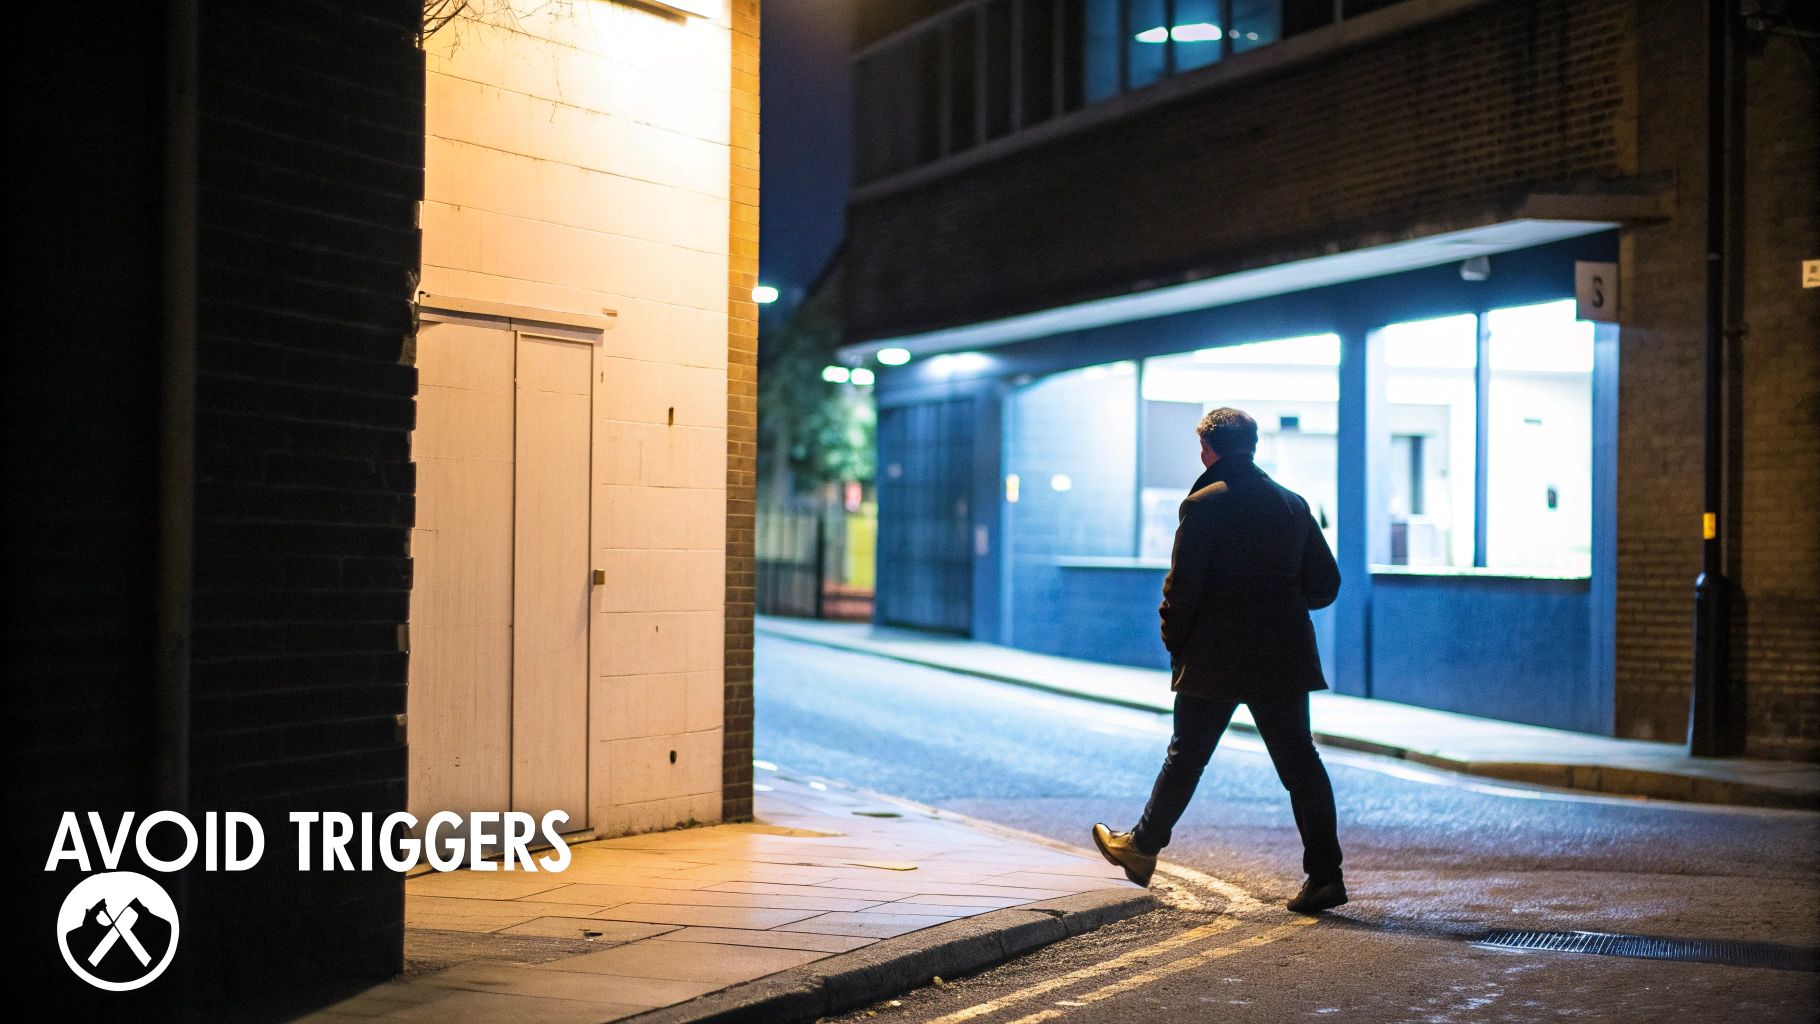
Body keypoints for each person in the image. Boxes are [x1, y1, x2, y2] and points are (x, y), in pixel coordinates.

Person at [1092, 407, 1348, 914]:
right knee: (1301, 766)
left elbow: (1182, 587)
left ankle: (1142, 850)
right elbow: (1327, 584)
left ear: (1207, 450)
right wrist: (1285, 601)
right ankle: (1325, 877)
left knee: (1186, 756)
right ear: (1251, 447)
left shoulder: (1204, 504)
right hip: (1281, 656)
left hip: (1216, 655)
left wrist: (1175, 641)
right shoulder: (1293, 505)